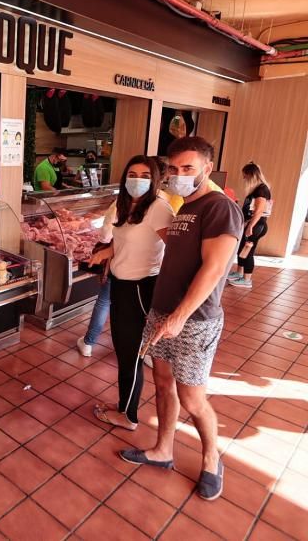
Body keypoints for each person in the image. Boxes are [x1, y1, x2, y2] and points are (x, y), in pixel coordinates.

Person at [120, 136, 243, 502]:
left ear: (207, 168)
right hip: (162, 311)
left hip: (193, 319)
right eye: (173, 169)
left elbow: (215, 267)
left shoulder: (219, 208)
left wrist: (180, 315)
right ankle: (163, 450)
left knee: (192, 398)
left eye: (188, 169)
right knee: (162, 384)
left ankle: (211, 459)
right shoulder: (184, 206)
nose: (179, 175)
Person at [88, 156, 174, 430]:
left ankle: (129, 416)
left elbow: (175, 249)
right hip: (121, 284)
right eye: (132, 174)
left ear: (155, 180)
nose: (137, 180)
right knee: (123, 350)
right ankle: (125, 405)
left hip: (139, 287)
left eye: (144, 175)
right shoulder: (127, 205)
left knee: (131, 354)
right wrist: (105, 253)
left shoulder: (159, 208)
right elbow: (127, 242)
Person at [76, 200, 116, 357]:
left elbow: (106, 236)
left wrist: (103, 250)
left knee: (104, 301)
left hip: (119, 263)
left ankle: (88, 342)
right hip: (147, 269)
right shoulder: (163, 203)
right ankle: (137, 350)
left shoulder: (123, 201)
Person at [228, 162, 271, 288]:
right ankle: (239, 273)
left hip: (256, 226)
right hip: (250, 224)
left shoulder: (262, 190)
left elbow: (259, 211)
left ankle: (247, 280)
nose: (244, 178)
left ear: (251, 175)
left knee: (248, 251)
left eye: (245, 175)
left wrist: (250, 226)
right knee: (242, 249)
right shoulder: (257, 189)